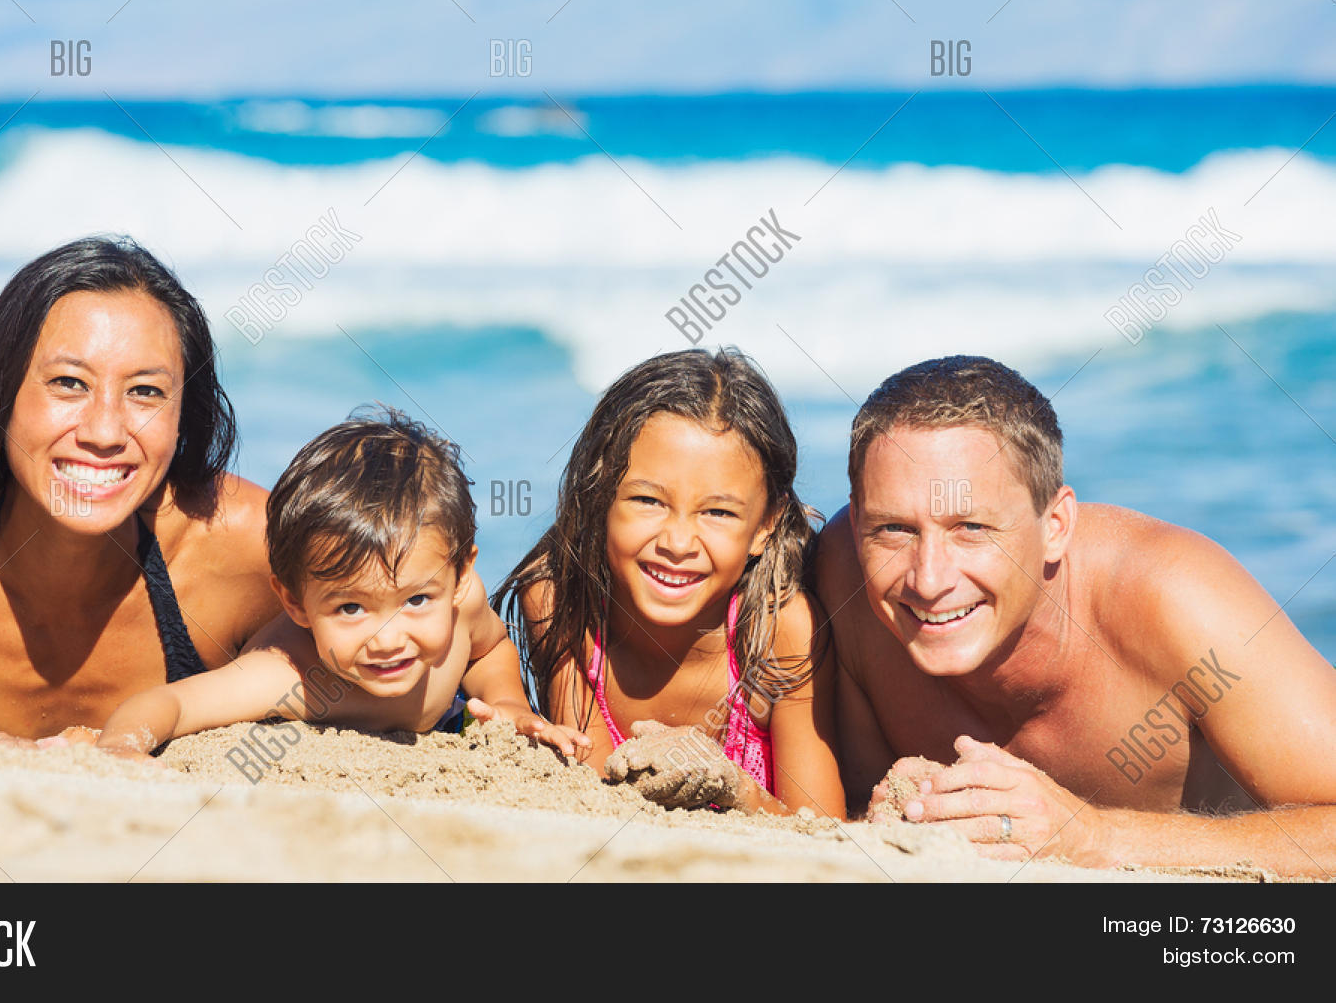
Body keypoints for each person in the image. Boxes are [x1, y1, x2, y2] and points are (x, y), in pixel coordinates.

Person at [818, 354, 1336, 875]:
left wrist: (1095, 836)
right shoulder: (843, 573)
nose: (928, 580)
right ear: (858, 518)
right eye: (893, 530)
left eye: (972, 528)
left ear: (1056, 525)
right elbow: (848, 806)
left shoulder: (1177, 599)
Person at [0, 236, 281, 739]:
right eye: (69, 382)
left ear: (181, 422)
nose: (105, 432)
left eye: (145, 392)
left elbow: (377, 653)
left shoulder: (246, 546)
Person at [96, 409, 588, 756]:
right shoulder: (292, 676)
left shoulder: (463, 605)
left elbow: (490, 647)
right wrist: (122, 746)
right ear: (295, 603)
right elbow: (170, 703)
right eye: (351, 609)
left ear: (460, 576)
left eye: (416, 600)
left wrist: (506, 703)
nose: (388, 638)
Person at [495, 349, 844, 816]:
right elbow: (594, 793)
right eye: (648, 500)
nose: (678, 542)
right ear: (600, 499)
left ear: (764, 526)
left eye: (718, 512)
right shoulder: (562, 600)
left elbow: (821, 828)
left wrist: (730, 785)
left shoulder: (780, 630)